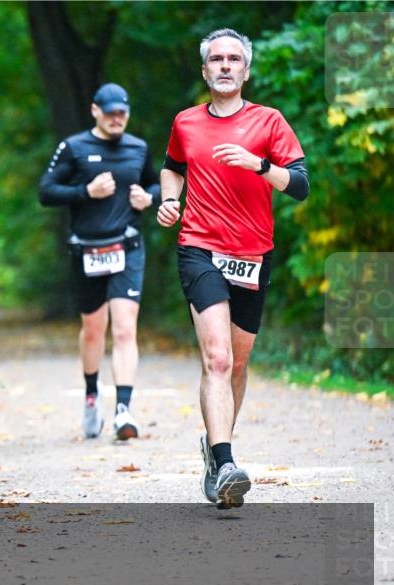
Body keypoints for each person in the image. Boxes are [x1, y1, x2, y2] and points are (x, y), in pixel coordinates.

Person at [157, 28, 309, 508]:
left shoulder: (269, 121)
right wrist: (168, 198)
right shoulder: (186, 122)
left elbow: (301, 184)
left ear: (245, 70)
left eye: (234, 59)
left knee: (239, 364)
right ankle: (225, 462)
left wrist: (258, 164)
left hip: (252, 254)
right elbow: (172, 167)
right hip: (199, 247)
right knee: (218, 359)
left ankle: (213, 449)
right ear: (205, 71)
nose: (225, 65)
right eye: (216, 59)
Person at [38, 83, 160, 440]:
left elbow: (155, 184)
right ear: (95, 111)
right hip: (88, 250)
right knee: (94, 329)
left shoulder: (138, 148)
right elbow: (46, 191)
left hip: (127, 246)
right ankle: (92, 394)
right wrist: (84, 192)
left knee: (124, 328)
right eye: (109, 112)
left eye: (122, 112)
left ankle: (124, 409)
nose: (116, 119)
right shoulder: (74, 147)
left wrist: (147, 198)